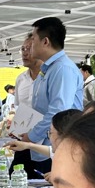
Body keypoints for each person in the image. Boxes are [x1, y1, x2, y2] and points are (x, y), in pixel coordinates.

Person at [23, 17, 83, 173]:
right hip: (43, 147)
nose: (30, 46)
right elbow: (40, 108)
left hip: (56, 147)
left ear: (45, 42)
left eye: (34, 39)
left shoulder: (63, 69)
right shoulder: (49, 68)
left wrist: (32, 136)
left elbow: (57, 111)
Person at [12, 35, 45, 177]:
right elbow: (20, 107)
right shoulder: (21, 79)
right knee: (15, 177)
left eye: (29, 49)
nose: (25, 53)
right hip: (23, 140)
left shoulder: (50, 76)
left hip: (46, 143)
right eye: (22, 49)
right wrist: (15, 127)